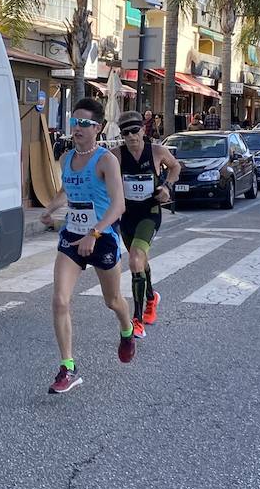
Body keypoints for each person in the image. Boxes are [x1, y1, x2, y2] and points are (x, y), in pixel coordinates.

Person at [39, 98, 136, 394]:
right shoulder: (66, 158)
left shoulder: (107, 160)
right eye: (74, 122)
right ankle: (68, 367)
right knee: (60, 300)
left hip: (101, 237)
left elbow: (118, 206)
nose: (77, 128)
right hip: (72, 236)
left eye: (84, 123)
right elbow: (66, 190)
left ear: (98, 127)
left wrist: (93, 234)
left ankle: (127, 330)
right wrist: (49, 209)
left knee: (113, 300)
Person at [115, 110, 181, 338]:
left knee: (135, 258)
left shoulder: (156, 151)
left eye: (135, 131)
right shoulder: (116, 155)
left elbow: (176, 167)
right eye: (126, 133)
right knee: (140, 261)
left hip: (149, 213)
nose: (131, 136)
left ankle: (137, 319)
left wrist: (167, 186)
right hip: (127, 215)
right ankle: (152, 298)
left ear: (143, 130)